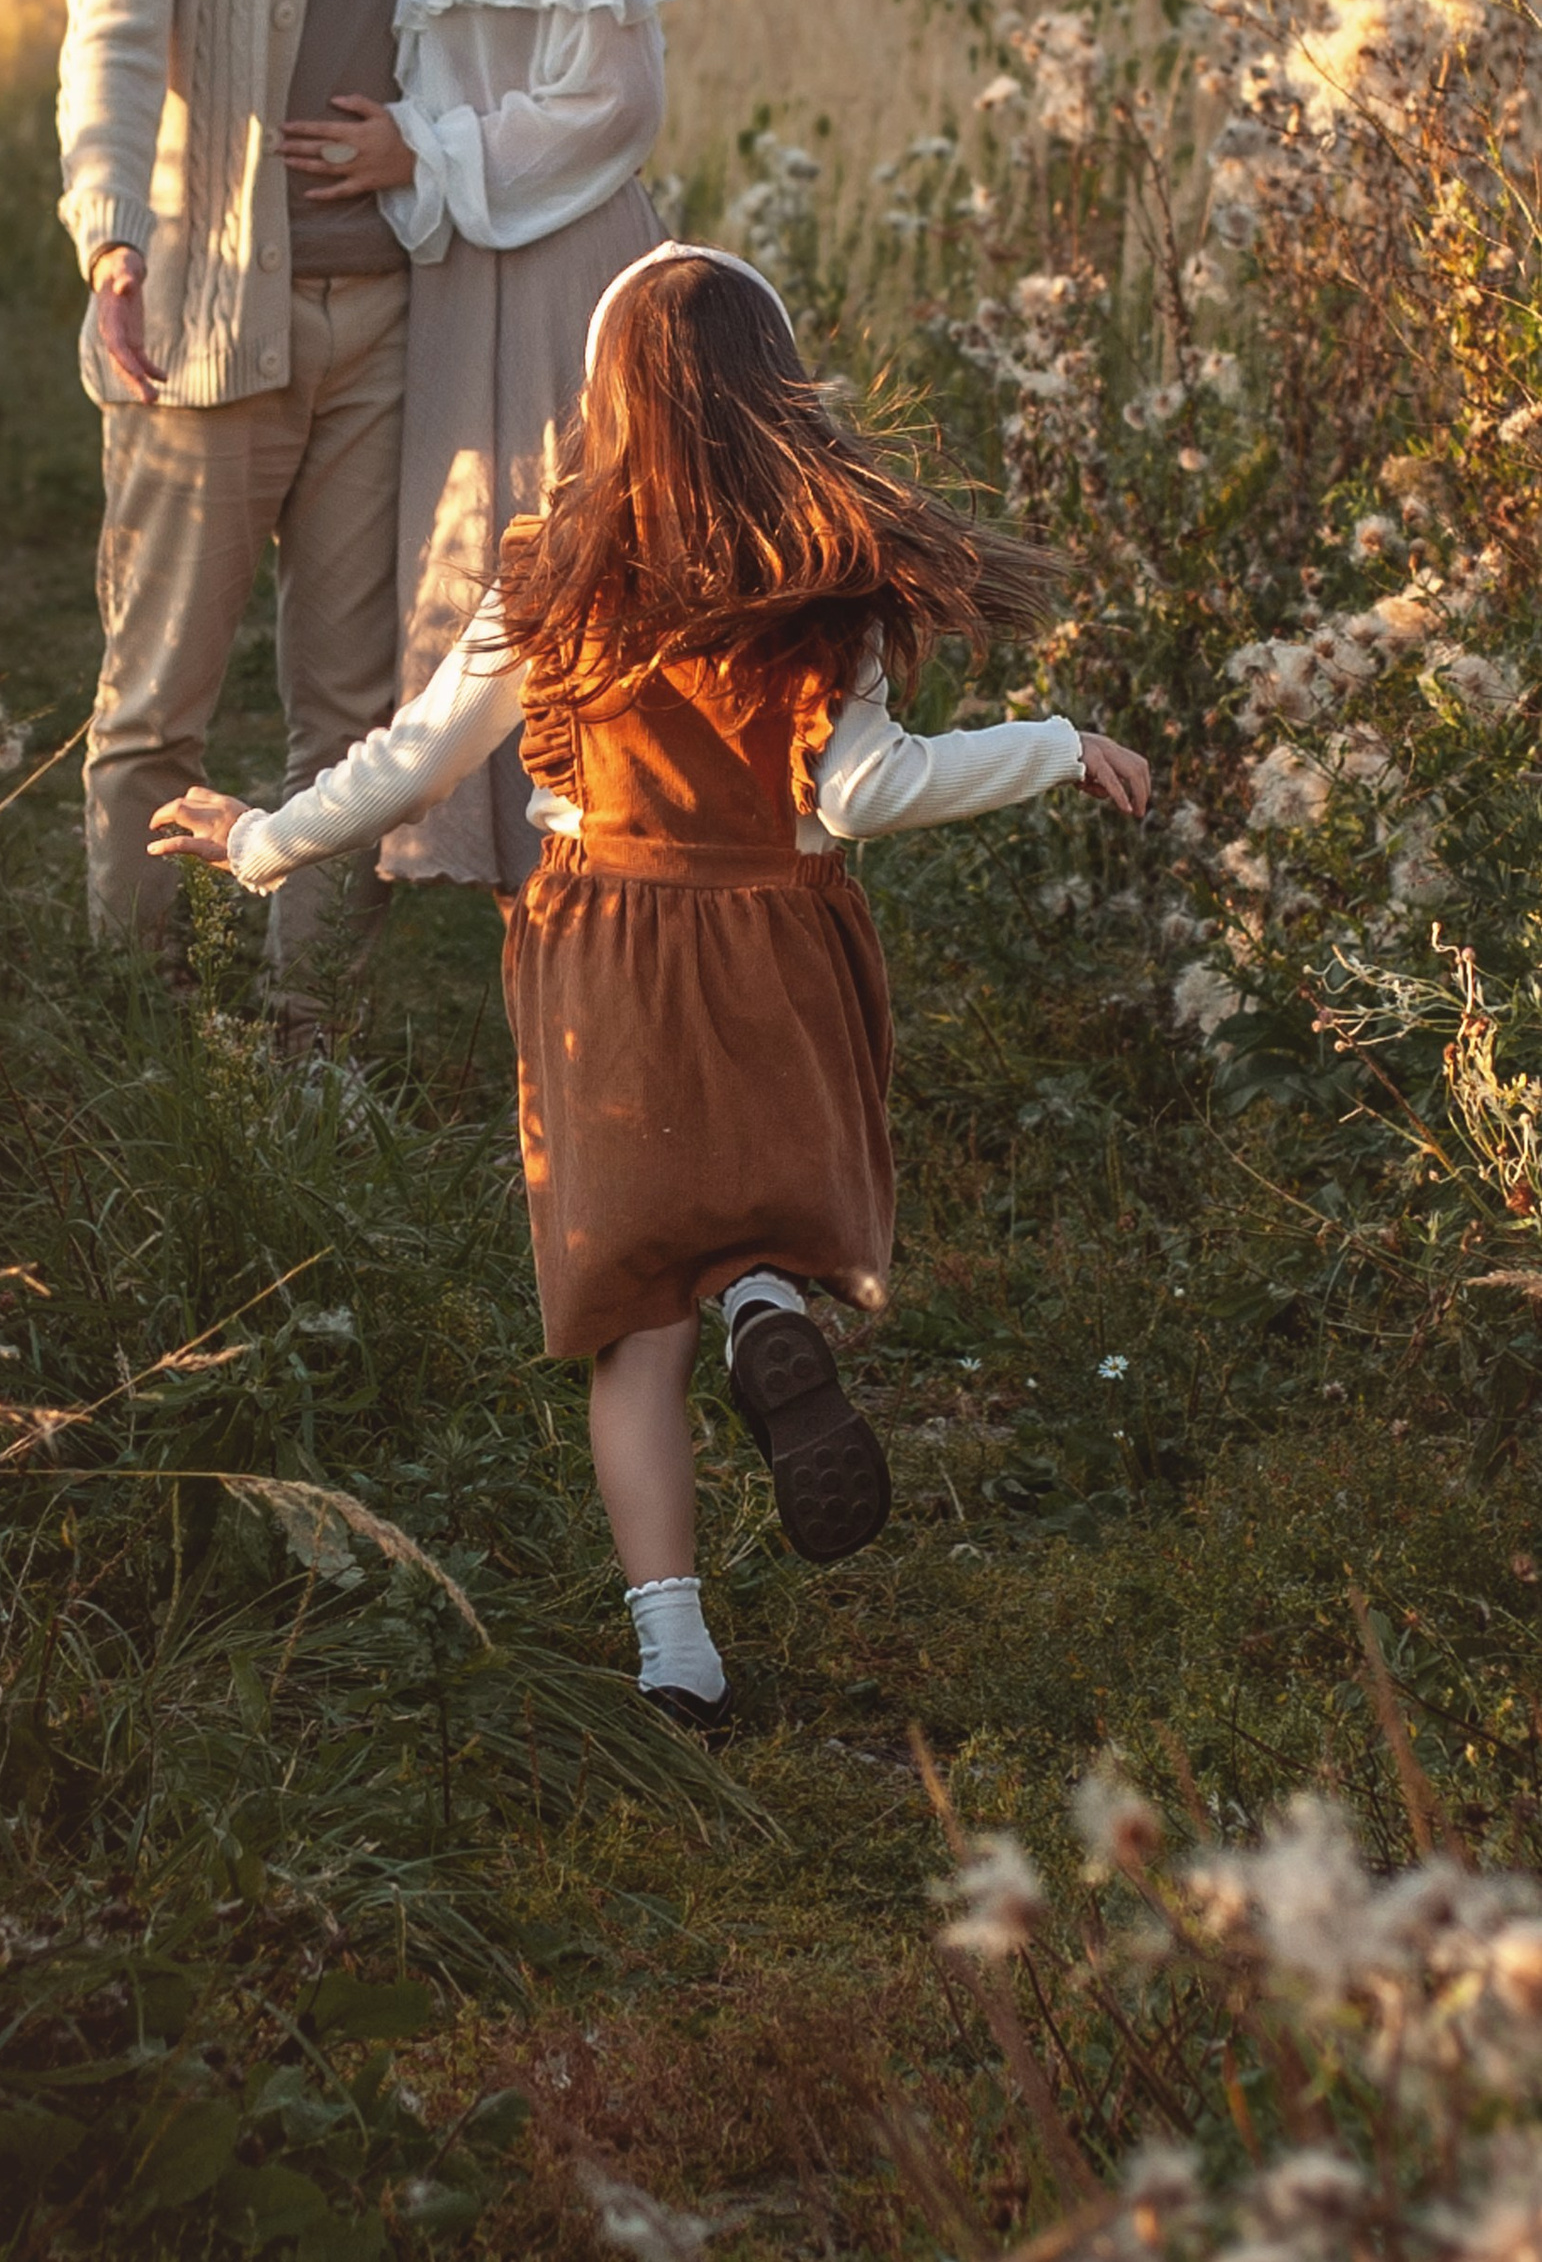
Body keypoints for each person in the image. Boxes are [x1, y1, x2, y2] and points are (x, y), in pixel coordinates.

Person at [150, 244, 1152, 1736]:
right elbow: (869, 791)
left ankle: (674, 1653)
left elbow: (412, 759)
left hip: (600, 955)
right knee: (748, 1210)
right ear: (776, 394)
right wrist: (1056, 743)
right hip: (775, 948)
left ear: (604, 400)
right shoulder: (824, 584)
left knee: (633, 1318)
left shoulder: (552, 573)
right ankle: (761, 1296)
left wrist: (259, 842)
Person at [56, 0, 450, 972]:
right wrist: (109, 234)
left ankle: (311, 1043)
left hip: (386, 323)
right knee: (159, 701)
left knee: (351, 710)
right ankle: (130, 1015)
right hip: (206, 314)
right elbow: (105, 40)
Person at [279, 0, 674, 889]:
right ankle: (530, 891)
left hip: (561, 266)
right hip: (472, 270)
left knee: (568, 563)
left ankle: (602, 874)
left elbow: (613, 99)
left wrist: (418, 149)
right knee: (485, 560)